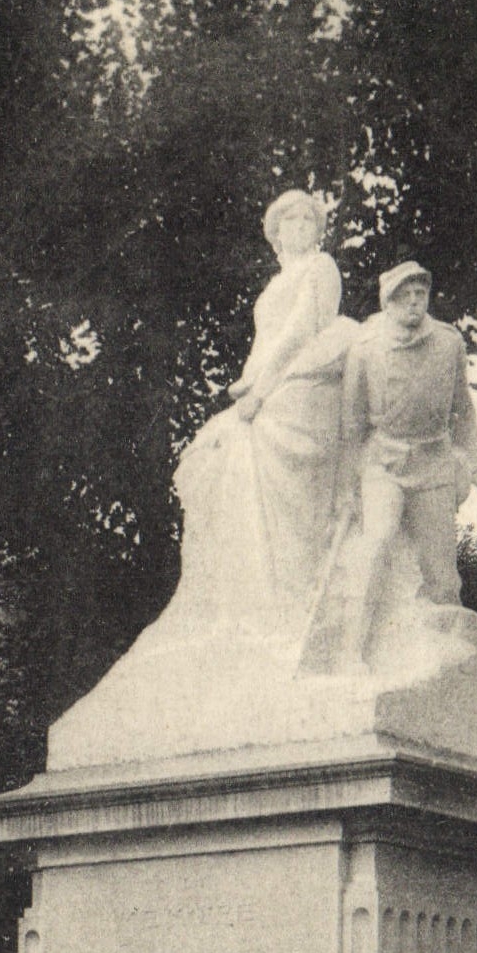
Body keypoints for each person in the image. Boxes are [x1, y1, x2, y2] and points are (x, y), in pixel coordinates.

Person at [171, 190, 356, 646]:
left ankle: (289, 598)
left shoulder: (320, 268)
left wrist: (263, 388)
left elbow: (302, 331)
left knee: (270, 465)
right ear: (277, 234)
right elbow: (267, 339)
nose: (299, 229)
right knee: (215, 457)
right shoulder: (277, 282)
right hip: (266, 386)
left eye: (306, 222)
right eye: (289, 222)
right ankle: (243, 600)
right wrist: (247, 386)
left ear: (317, 231)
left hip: (300, 386)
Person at [340, 261, 477, 660]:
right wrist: (346, 488)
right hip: (383, 463)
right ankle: (353, 649)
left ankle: (452, 659)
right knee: (378, 544)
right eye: (404, 296)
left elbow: (463, 410)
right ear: (388, 302)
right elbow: (352, 426)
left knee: (442, 573)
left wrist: (474, 466)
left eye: (420, 295)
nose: (413, 303)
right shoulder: (366, 348)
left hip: (433, 463)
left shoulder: (448, 343)